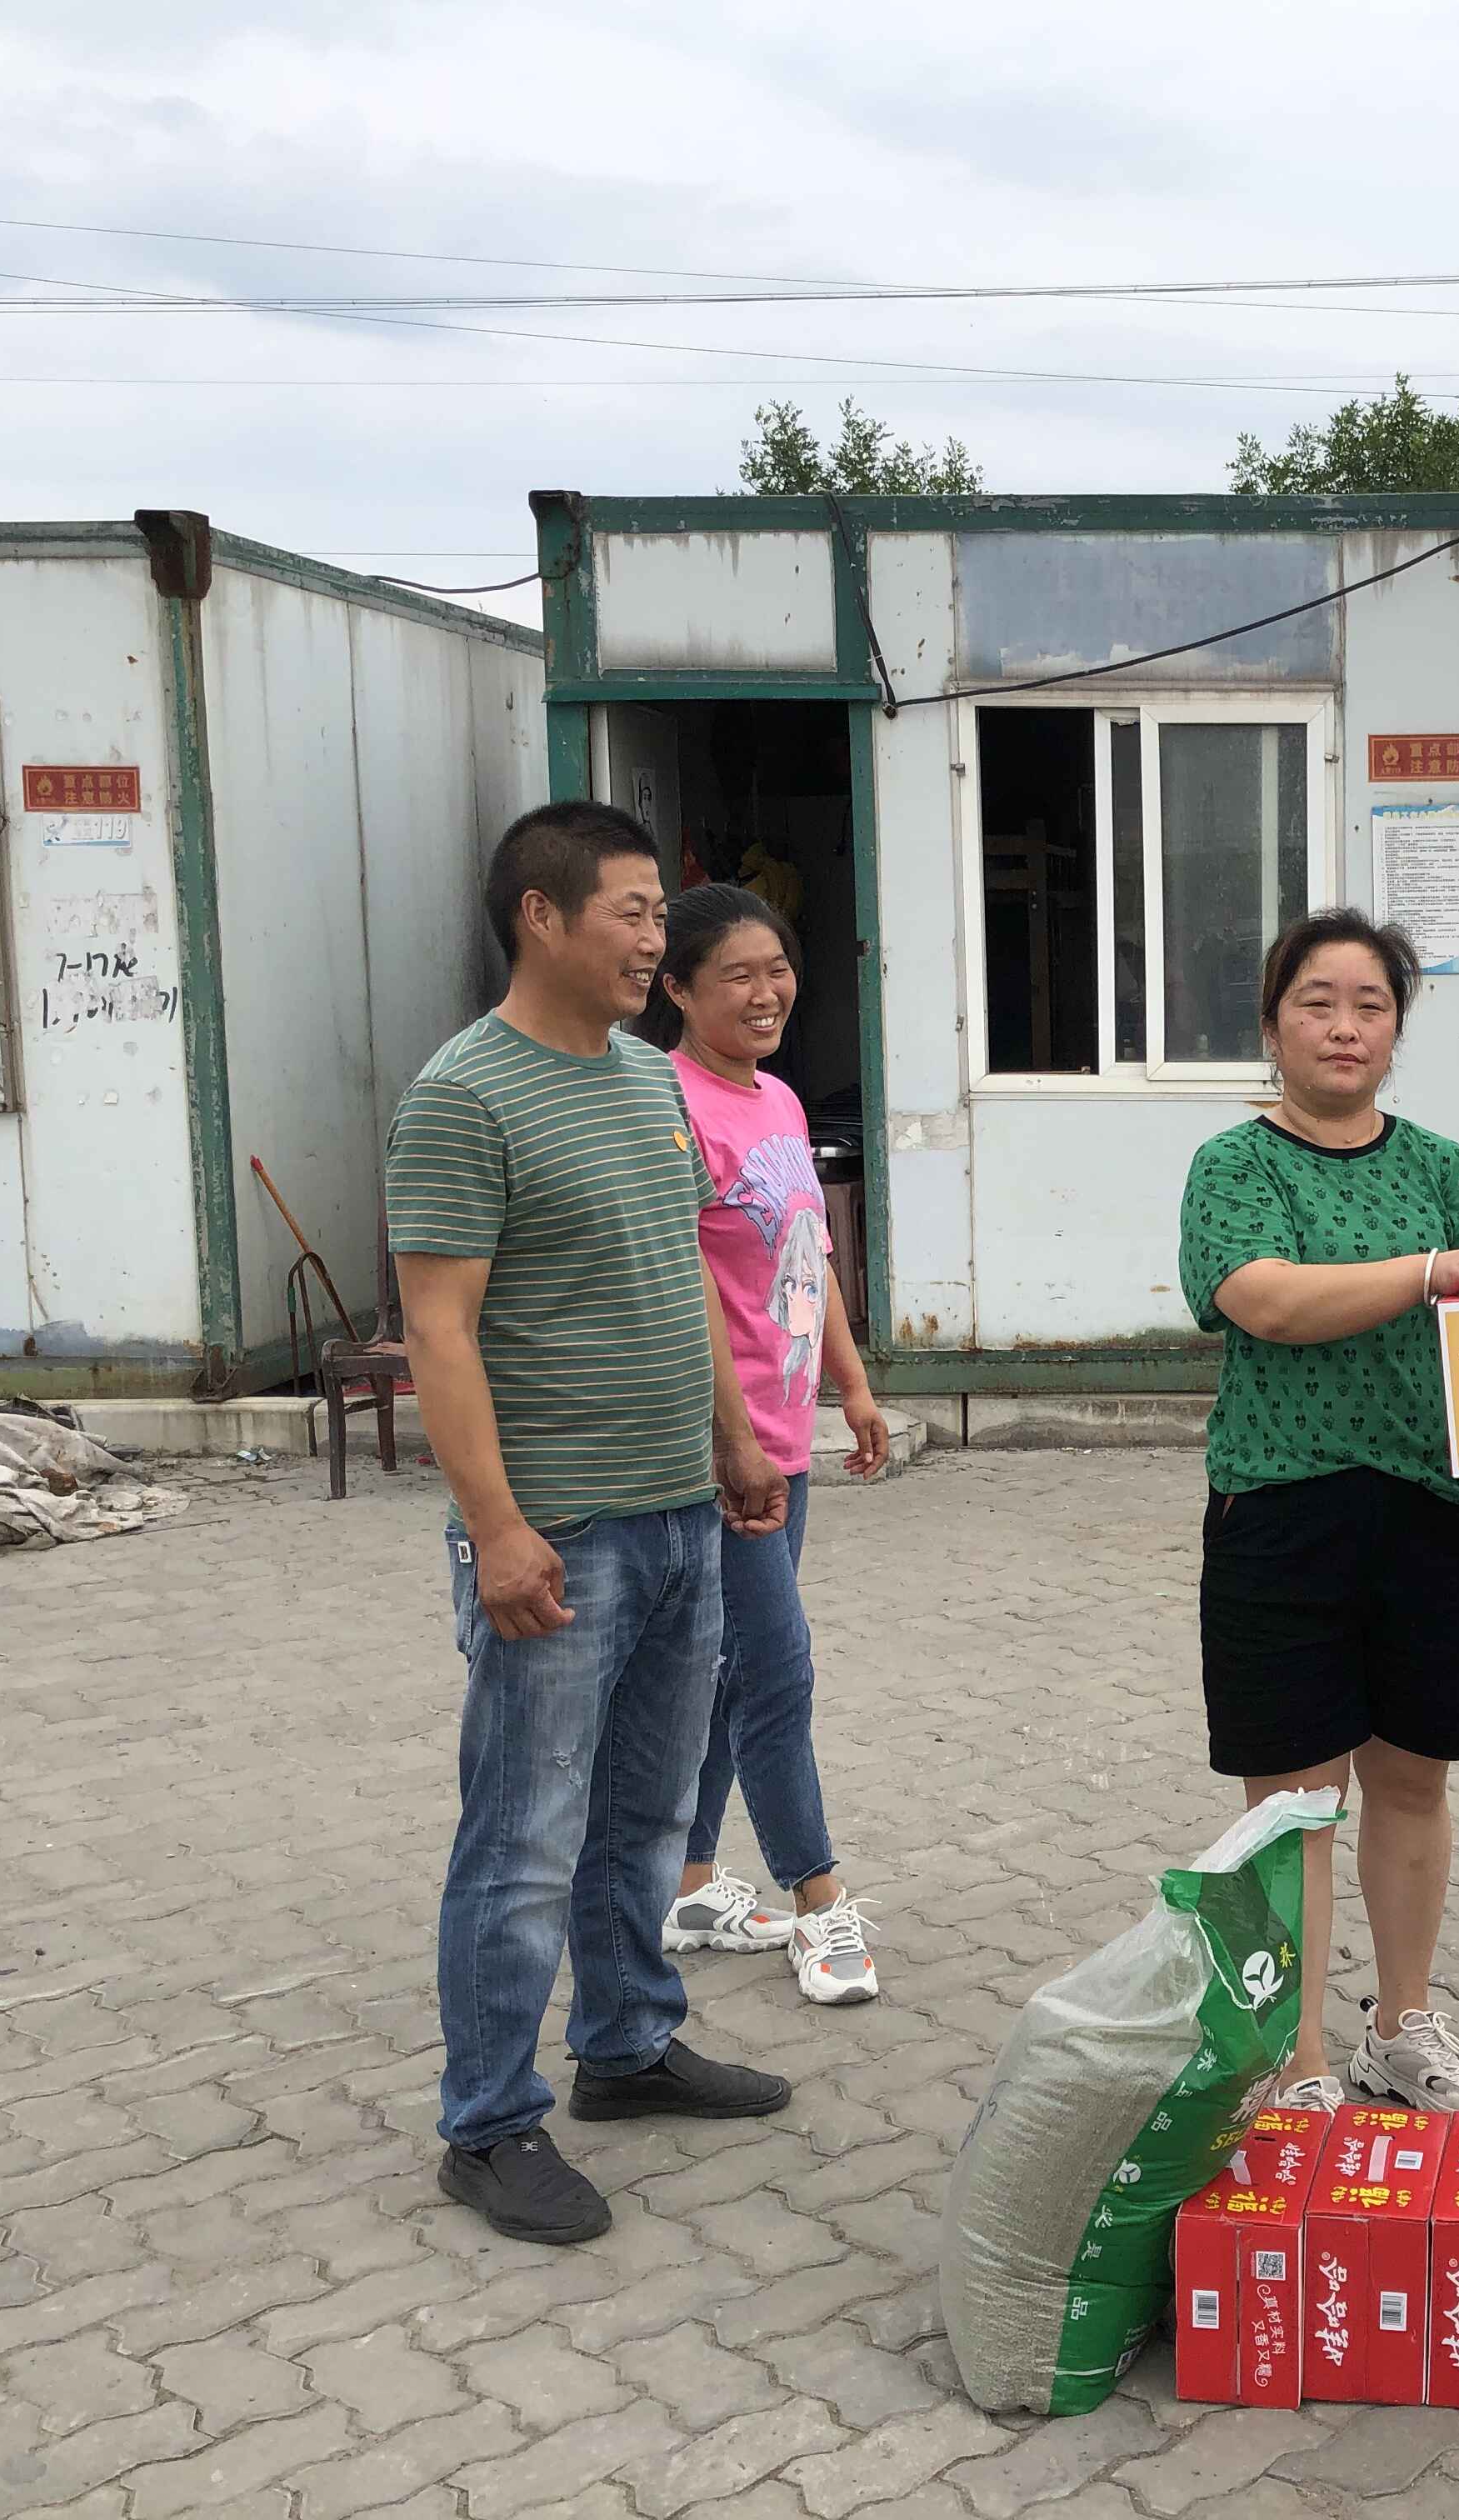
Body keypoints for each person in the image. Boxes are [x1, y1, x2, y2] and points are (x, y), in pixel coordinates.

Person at [388, 801, 799, 2247]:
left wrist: (735, 1442)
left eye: (657, 913)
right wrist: (496, 1528)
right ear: (540, 918)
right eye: (630, 912)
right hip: (560, 1534)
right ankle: (488, 2123)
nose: (652, 940)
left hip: (680, 1513)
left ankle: (625, 2046)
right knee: (524, 1837)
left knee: (645, 1812)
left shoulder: (642, 1082)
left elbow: (678, 1274)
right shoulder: (464, 1097)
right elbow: (438, 1330)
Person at [1177, 908, 1459, 2112]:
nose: (1345, 1027)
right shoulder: (1235, 1166)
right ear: (1272, 1025)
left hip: (1431, 1514)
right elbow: (1267, 1301)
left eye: (1371, 1006)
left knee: (1412, 1782)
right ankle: (1292, 2059)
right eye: (1317, 1003)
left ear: (1396, 1031)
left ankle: (1402, 2028)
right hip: (1282, 1514)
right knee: (1295, 1807)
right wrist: (1429, 1273)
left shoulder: (1446, 1171)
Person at [627, 882, 893, 2004]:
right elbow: (674, 1277)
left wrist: (853, 1386)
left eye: (777, 968)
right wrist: (730, 1438)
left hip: (782, 1436)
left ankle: (690, 1884)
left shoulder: (777, 1099)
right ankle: (820, 1903)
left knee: (733, 1674)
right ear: (678, 989)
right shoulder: (664, 1100)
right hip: (719, 1449)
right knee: (777, 1673)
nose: (765, 991)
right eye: (735, 974)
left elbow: (806, 1255)